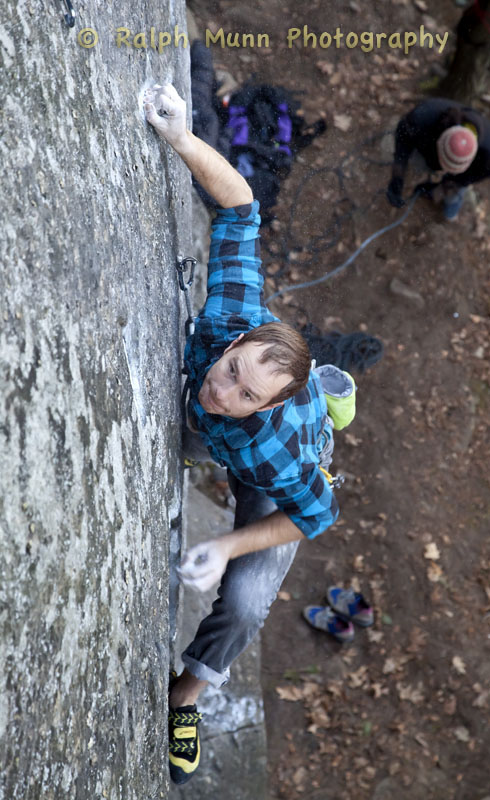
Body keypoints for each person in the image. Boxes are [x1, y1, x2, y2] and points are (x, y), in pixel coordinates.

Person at [143, 84, 343, 785]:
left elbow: (317, 514)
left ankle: (185, 698)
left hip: (271, 482)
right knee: (199, 429)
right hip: (223, 445)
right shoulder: (235, 318)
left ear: (268, 406)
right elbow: (238, 207)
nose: (220, 387)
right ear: (241, 340)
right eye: (230, 370)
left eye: (244, 393)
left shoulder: (277, 446)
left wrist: (229, 543)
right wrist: (181, 138)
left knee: (246, 600)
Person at [386, 97, 490, 220]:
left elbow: (470, 177)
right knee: (416, 163)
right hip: (428, 146)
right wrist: (397, 176)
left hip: (464, 169)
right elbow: (403, 138)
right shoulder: (423, 116)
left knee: (453, 193)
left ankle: (449, 214)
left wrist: (440, 188)